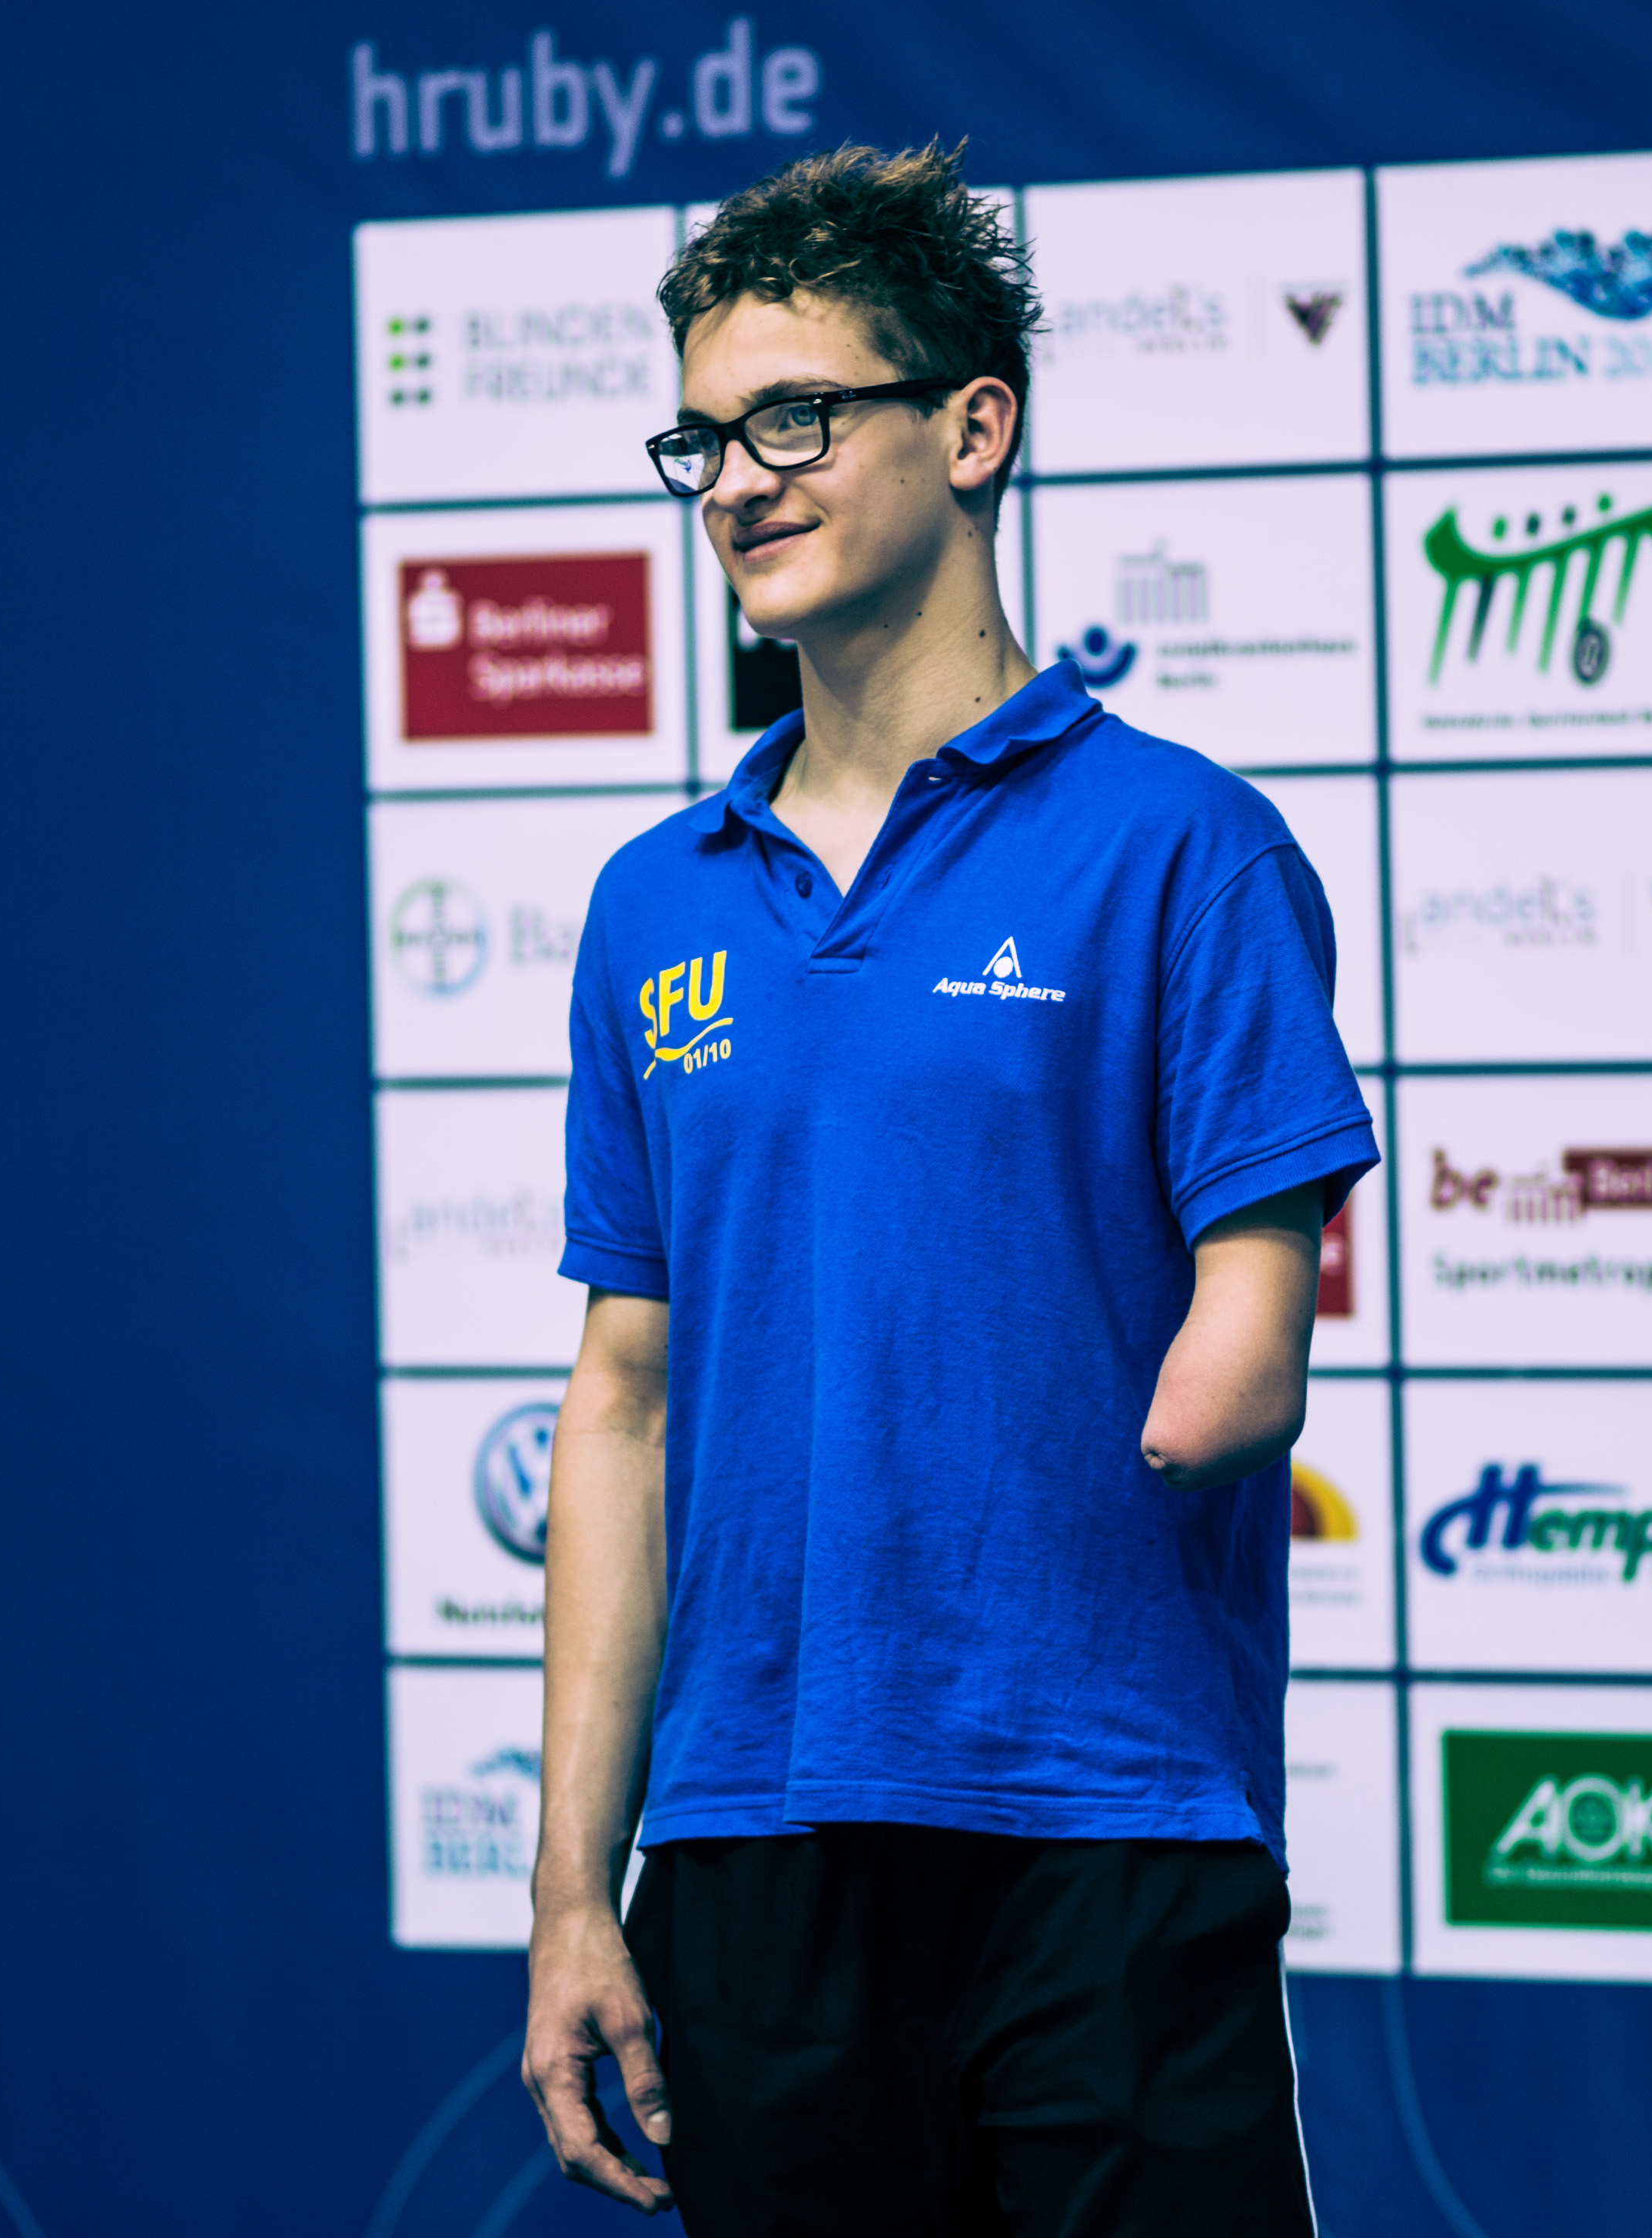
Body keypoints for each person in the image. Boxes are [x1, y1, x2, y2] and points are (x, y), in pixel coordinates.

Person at [517, 141, 1374, 2233]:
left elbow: (1252, 1329)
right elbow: (621, 1406)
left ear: (975, 427)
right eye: (706, 438)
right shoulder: (653, 903)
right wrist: (569, 1892)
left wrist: (1226, 1368)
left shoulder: (1186, 848)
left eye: (798, 418)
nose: (739, 481)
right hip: (749, 1848)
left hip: (1104, 1824)